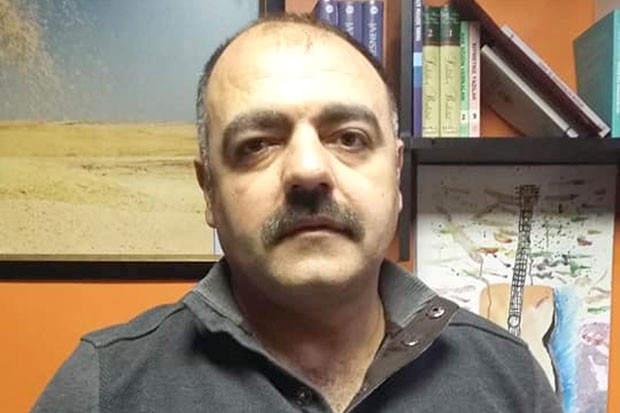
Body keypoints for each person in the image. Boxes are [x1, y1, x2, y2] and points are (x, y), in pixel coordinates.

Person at [33, 14, 562, 413]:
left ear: (396, 175)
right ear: (209, 191)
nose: (308, 170)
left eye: (349, 138)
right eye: (257, 144)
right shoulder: (102, 388)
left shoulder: (509, 378)